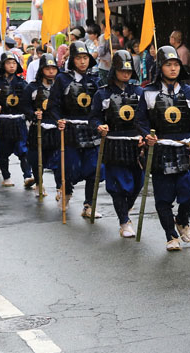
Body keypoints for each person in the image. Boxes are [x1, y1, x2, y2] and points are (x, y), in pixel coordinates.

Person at [136, 46, 190, 251]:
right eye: (168, 64)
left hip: (184, 148)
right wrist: (147, 135)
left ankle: (182, 220)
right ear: (160, 67)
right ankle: (171, 236)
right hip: (160, 149)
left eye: (176, 64)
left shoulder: (189, 92)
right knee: (163, 197)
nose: (173, 69)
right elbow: (141, 120)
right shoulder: (148, 93)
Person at [89, 51, 145, 237]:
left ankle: (124, 210)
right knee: (119, 186)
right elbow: (94, 117)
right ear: (115, 71)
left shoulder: (139, 92)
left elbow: (146, 118)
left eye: (129, 71)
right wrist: (99, 126)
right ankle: (124, 221)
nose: (126, 74)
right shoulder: (102, 93)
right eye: (122, 70)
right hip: (114, 144)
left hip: (136, 145)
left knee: (138, 183)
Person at [48, 41, 103, 217]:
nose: (82, 62)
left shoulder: (96, 80)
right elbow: (53, 105)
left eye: (85, 58)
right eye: (78, 58)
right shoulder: (62, 79)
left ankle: (89, 205)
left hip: (91, 128)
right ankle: (66, 189)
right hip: (70, 129)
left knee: (94, 168)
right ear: (72, 60)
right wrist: (59, 120)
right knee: (70, 167)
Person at [0, 52, 34, 188]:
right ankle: (6, 177)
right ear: (3, 65)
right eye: (8, 63)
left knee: (23, 150)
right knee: (2, 151)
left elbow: (27, 102)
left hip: (18, 121)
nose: (11, 66)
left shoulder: (22, 83)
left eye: (14, 63)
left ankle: (28, 176)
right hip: (3, 121)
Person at [24, 53, 60, 198]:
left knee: (59, 160)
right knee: (36, 158)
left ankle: (60, 187)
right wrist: (33, 114)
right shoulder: (32, 87)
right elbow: (24, 106)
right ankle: (38, 182)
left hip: (56, 127)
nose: (51, 71)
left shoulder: (60, 86)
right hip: (37, 127)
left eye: (53, 68)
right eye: (47, 68)